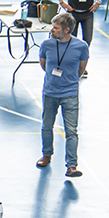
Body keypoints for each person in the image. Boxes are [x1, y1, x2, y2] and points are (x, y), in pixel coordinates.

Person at [35, 13, 88, 177]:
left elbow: (81, 69)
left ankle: (71, 165)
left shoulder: (81, 46)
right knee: (46, 126)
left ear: (66, 30)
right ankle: (46, 154)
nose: (52, 30)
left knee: (71, 130)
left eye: (56, 28)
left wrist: (69, 80)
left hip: (70, 94)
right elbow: (43, 65)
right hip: (50, 92)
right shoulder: (47, 44)